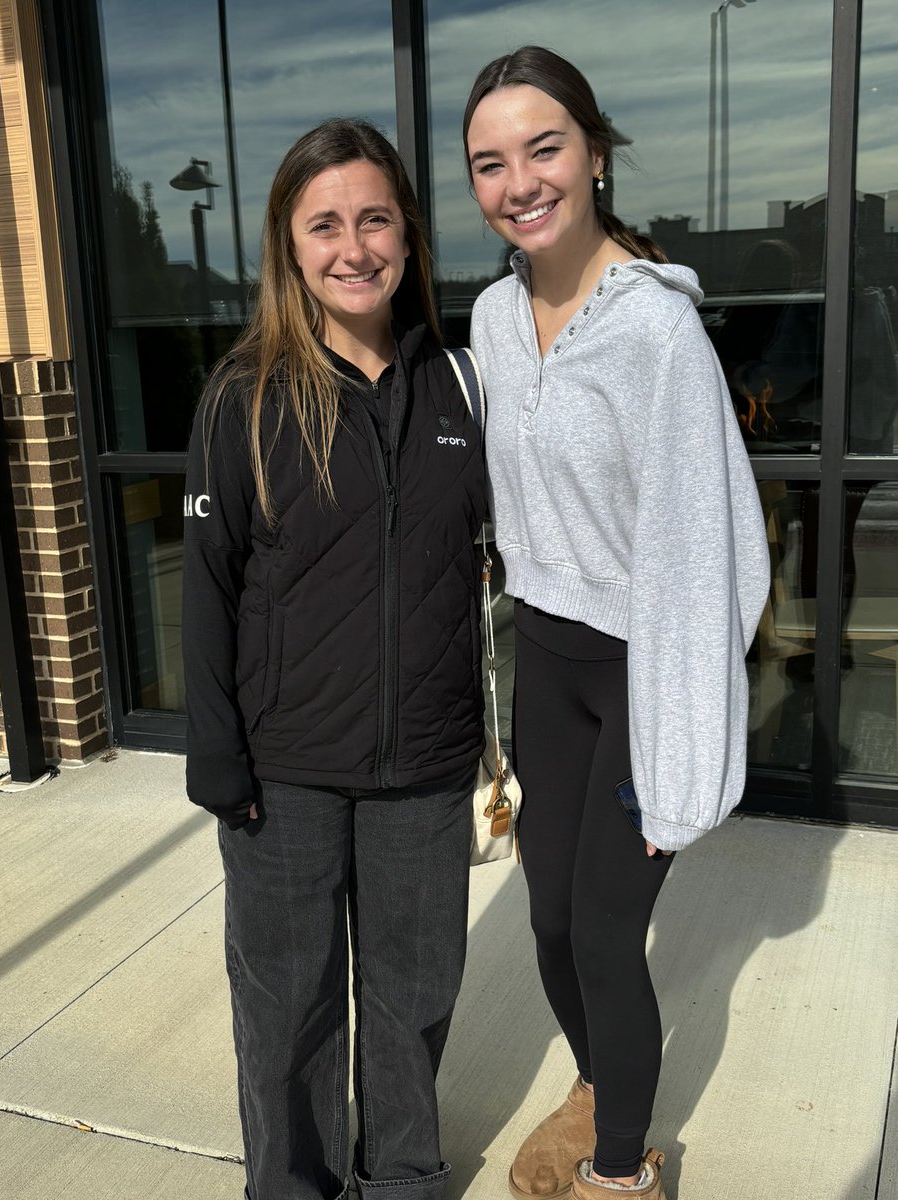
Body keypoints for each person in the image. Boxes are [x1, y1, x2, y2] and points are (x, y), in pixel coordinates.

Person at [462, 47, 769, 1200]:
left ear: (593, 154)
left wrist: (682, 751)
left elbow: (713, 559)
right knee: (545, 923)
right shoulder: (494, 319)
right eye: (491, 163)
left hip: (645, 673)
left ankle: (617, 1169)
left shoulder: (657, 337)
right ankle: (606, 1082)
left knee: (601, 936)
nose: (519, 180)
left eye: (544, 148)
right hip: (544, 658)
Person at [182, 118, 487, 1200]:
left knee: (412, 1003)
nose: (352, 248)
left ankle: (402, 1179)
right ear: (289, 244)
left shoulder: (462, 384)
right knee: (288, 1011)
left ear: (407, 230)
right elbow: (208, 584)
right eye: (325, 225)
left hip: (427, 771)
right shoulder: (245, 394)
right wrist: (216, 759)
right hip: (286, 778)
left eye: (374, 218)